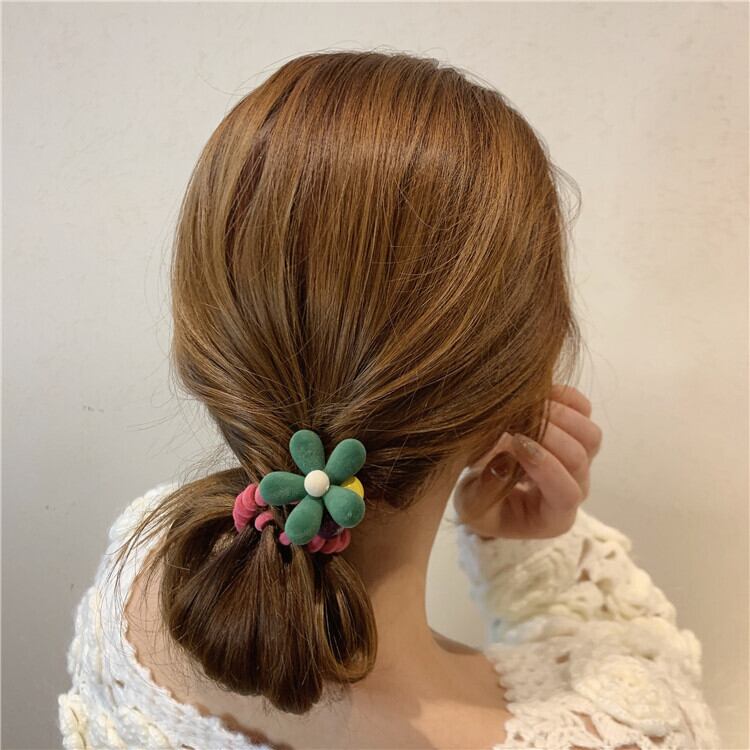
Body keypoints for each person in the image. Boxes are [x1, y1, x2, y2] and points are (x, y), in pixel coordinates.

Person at [58, 49, 721, 749]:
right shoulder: (624, 730)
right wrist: (520, 556)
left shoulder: (139, 582)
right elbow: (636, 676)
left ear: (207, 344)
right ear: (511, 399)